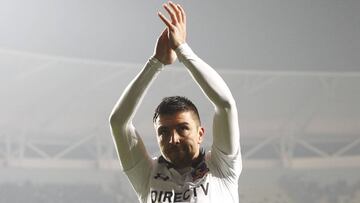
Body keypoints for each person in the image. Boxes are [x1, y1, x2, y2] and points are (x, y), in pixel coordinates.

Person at [109, 2, 242, 202]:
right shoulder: (147, 174)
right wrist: (155, 62)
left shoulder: (221, 166)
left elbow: (225, 105)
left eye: (183, 128)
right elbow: (118, 122)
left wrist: (182, 49)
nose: (173, 139)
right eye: (163, 132)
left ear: (200, 133)